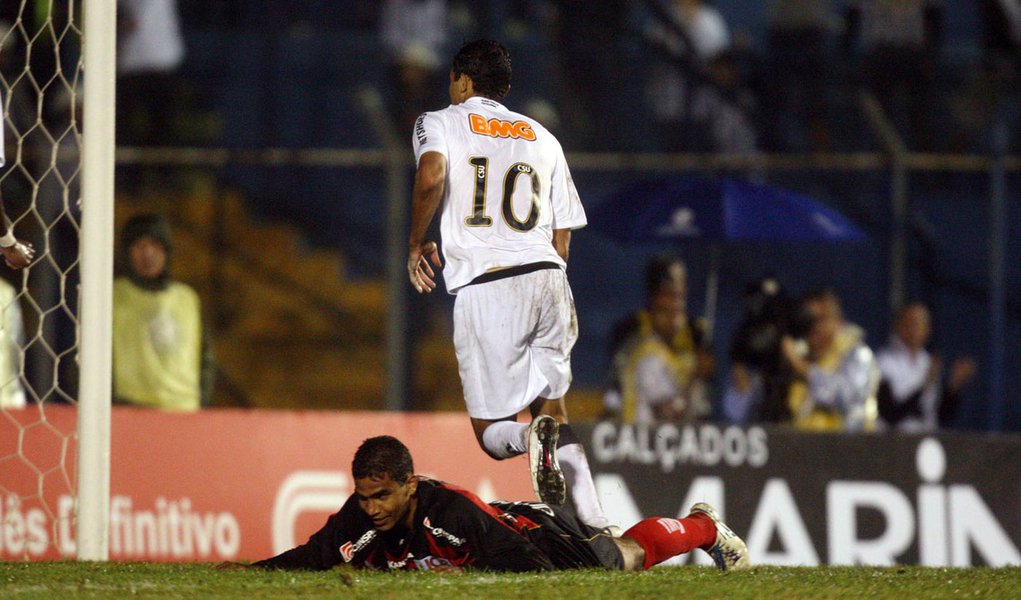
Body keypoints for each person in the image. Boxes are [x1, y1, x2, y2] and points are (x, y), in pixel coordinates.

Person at [406, 39, 610, 531]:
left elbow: (431, 176)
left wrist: (415, 243)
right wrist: (543, 282)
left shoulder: (438, 121)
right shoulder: (543, 136)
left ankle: (528, 441)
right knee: (554, 410)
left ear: (462, 80)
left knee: (491, 431)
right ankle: (600, 526)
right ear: (506, 88)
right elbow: (562, 237)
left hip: (487, 283)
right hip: (548, 278)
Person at [239, 435, 749, 572]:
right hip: (510, 531)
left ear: (409, 484)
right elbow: (316, 554)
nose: (371, 508)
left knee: (624, 559)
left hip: (537, 537)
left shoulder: (451, 514)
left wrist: (463, 578)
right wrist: (251, 572)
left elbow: (529, 566)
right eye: (365, 496)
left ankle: (703, 526)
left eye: (382, 496)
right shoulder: (362, 512)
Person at [113, 213, 213, 411]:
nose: (148, 254)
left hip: (183, 412)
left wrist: (202, 401)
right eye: (139, 246)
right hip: (129, 411)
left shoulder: (187, 298)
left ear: (166, 251)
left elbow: (206, 358)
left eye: (155, 246)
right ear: (126, 252)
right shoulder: (111, 296)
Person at [604, 254, 713, 424]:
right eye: (672, 290)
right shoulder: (636, 335)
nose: (679, 296)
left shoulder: (695, 332)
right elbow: (668, 411)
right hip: (641, 429)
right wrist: (696, 377)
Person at [781, 288, 879, 432]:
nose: (814, 326)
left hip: (846, 449)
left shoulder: (856, 355)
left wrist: (803, 369)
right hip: (798, 448)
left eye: (822, 319)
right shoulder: (793, 357)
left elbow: (847, 396)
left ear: (838, 321)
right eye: (808, 319)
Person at [876, 302, 976, 431]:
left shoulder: (927, 362)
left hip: (926, 439)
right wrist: (925, 385)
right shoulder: (884, 362)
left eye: (922, 323)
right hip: (893, 441)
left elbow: (940, 416)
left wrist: (954, 386)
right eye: (912, 322)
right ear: (898, 325)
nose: (916, 328)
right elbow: (890, 414)